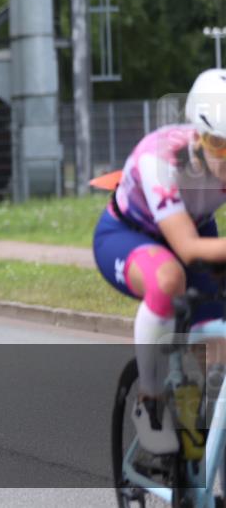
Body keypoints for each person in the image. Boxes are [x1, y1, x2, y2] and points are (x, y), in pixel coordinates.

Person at [94, 68, 226, 454]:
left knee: (219, 354)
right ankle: (149, 401)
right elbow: (187, 250)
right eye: (219, 144)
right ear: (198, 136)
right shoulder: (161, 158)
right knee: (168, 279)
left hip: (197, 228)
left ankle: (206, 449)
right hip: (130, 235)